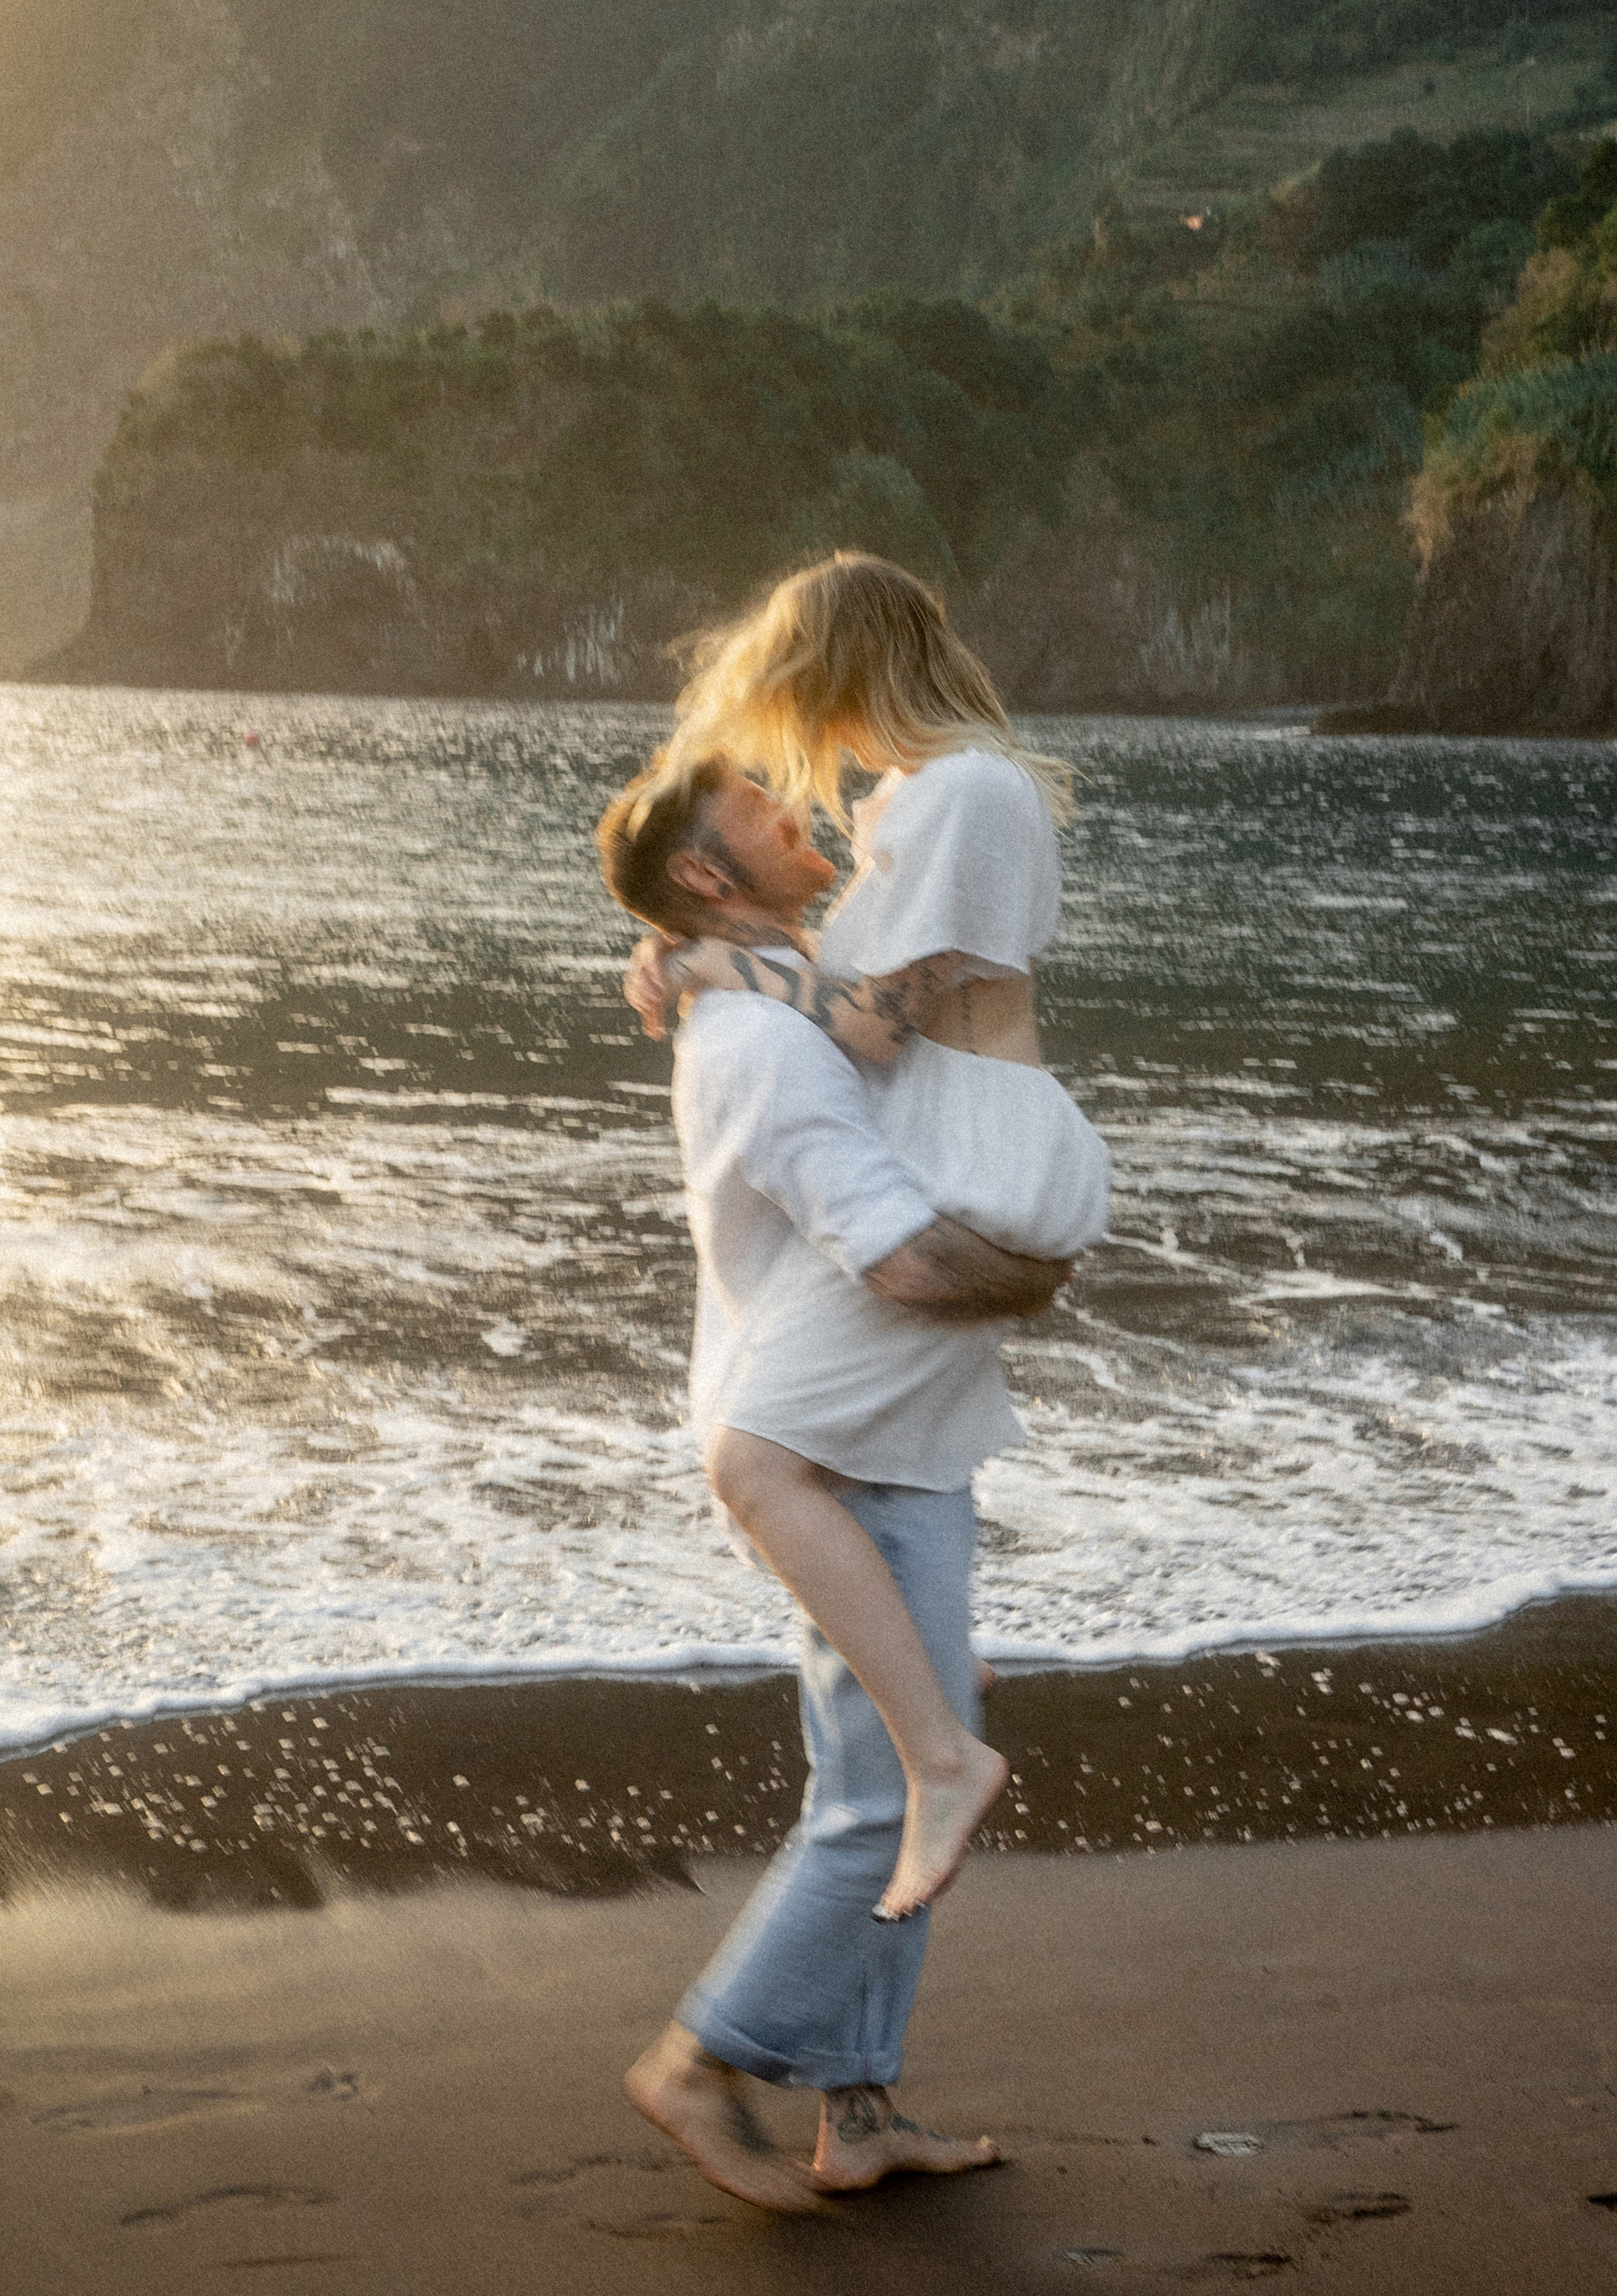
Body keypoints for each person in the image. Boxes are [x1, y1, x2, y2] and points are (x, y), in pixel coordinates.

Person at [599, 749, 1066, 2209]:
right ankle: (695, 2059)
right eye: (751, 799)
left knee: (896, 1775)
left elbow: (876, 996)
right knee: (885, 1794)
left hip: (888, 1435)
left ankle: (856, 2113)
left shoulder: (768, 989)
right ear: (701, 871)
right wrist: (1043, 1268)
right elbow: (900, 1257)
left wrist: (680, 963)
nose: (793, 799)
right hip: (830, 1442)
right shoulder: (761, 1046)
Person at [624, 553, 1110, 1922]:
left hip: (985, 1153)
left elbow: (864, 1022)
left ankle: (943, 1755)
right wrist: (701, 951)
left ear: (839, 669)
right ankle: (932, 1662)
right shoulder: (921, 794)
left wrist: (715, 960)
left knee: (754, 1458)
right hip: (960, 1142)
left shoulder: (961, 790)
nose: (789, 720)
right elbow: (845, 992)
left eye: (795, 676)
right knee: (795, 1447)